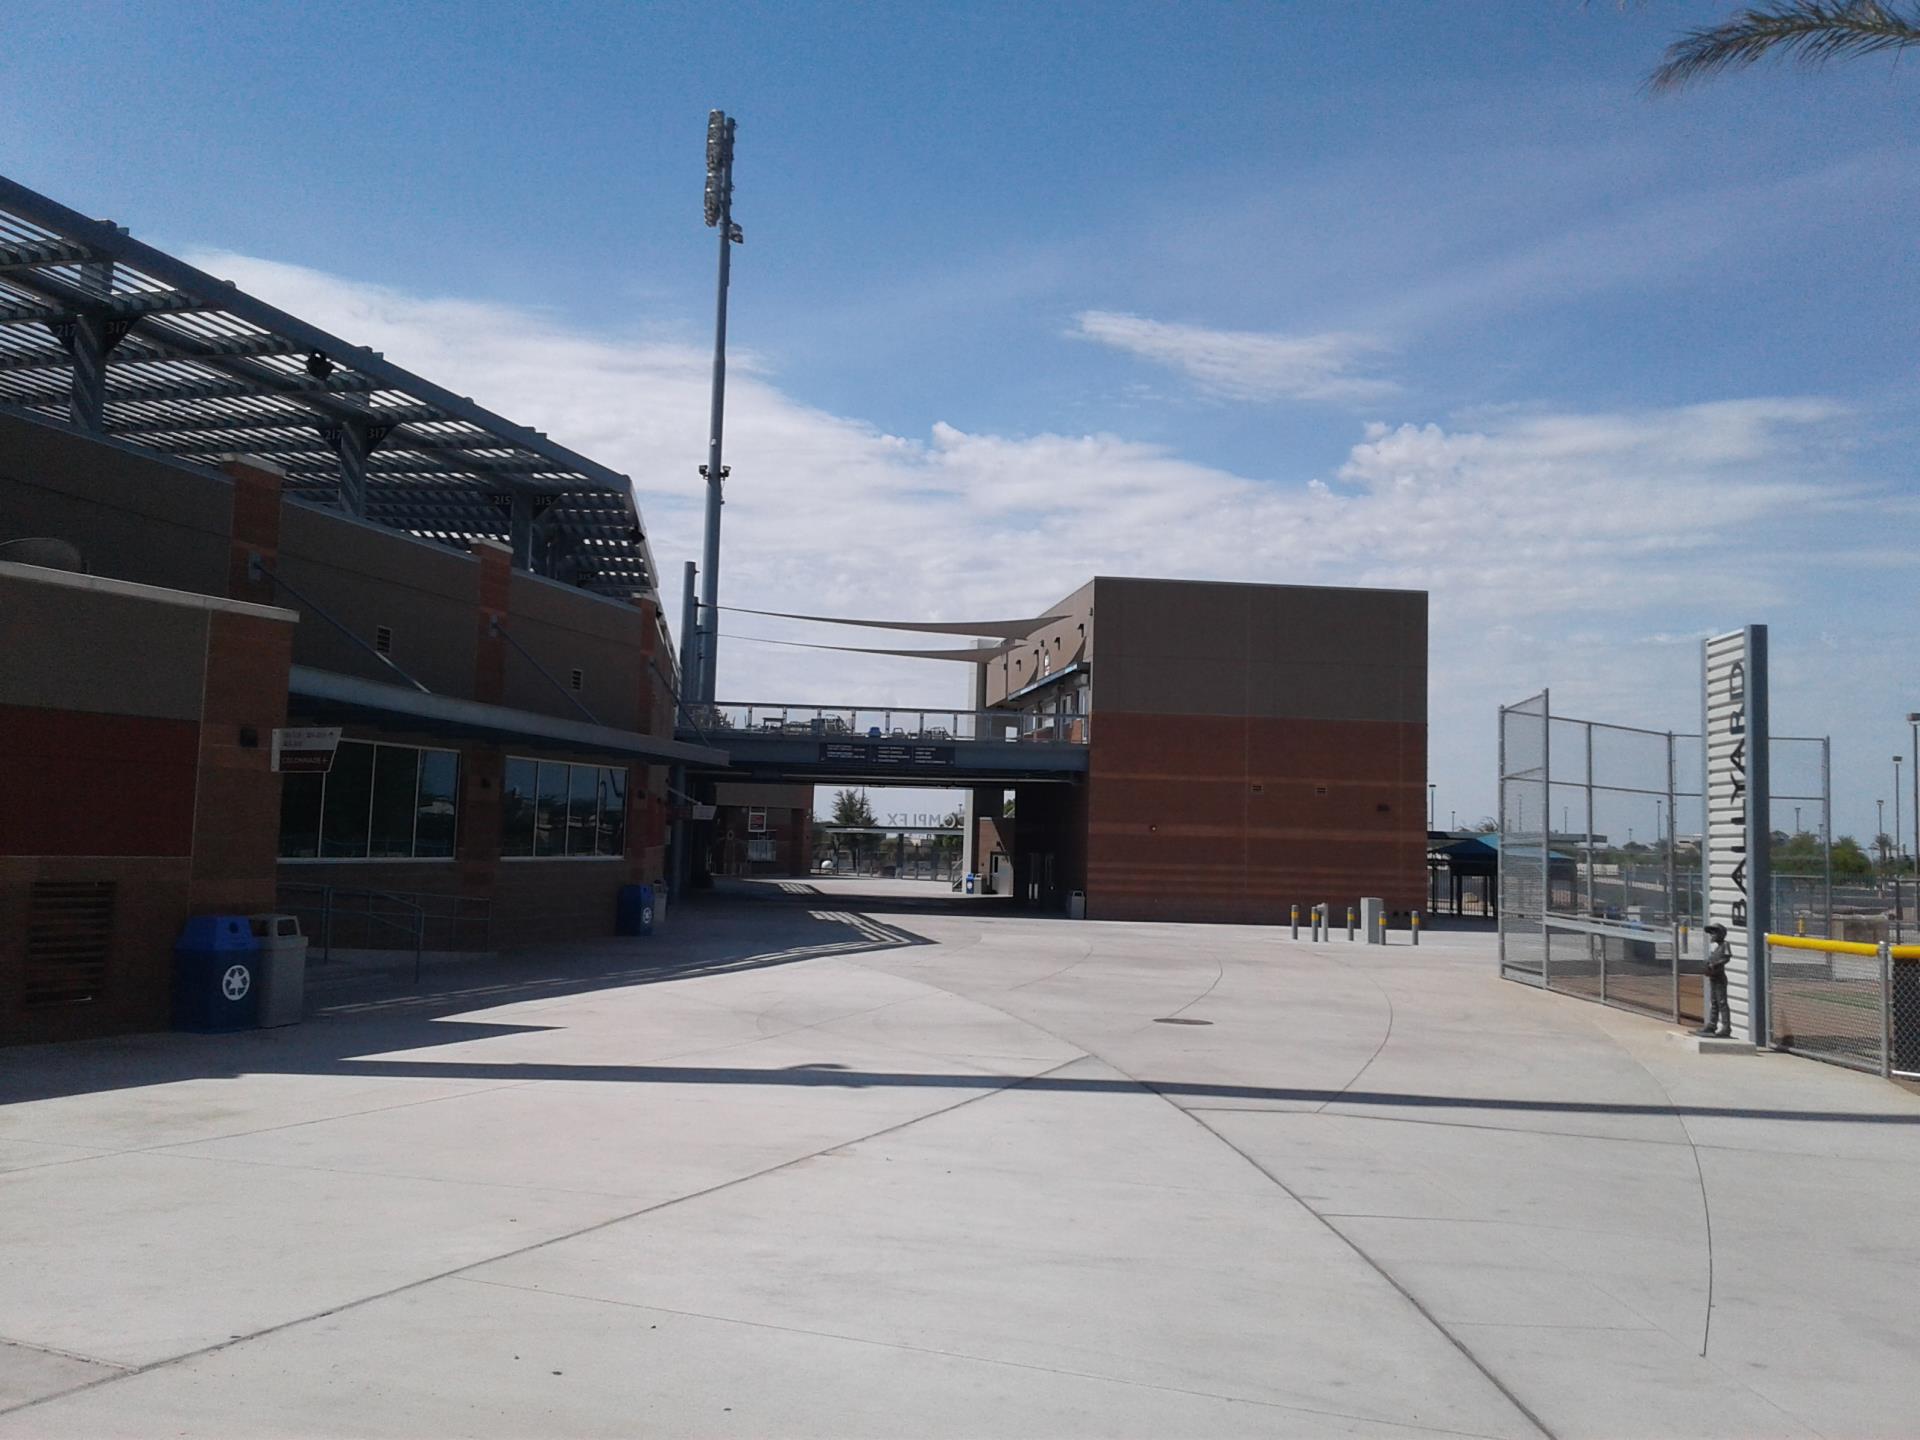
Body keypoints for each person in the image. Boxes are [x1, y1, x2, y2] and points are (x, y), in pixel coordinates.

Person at [1696, 923, 1732, 1038]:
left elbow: (1727, 957)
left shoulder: (1725, 945)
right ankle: (1712, 1025)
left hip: (1720, 978)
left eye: (1714, 933)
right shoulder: (1716, 949)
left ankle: (1726, 1028)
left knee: (1722, 1002)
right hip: (1713, 977)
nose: (1712, 935)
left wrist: (1714, 964)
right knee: (1714, 1002)